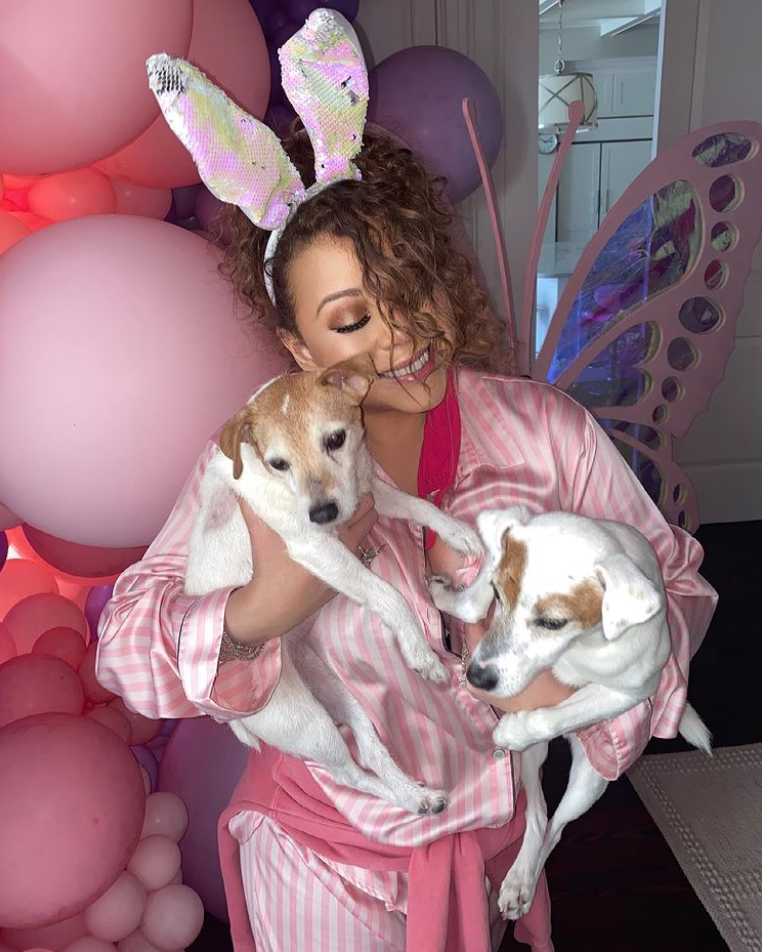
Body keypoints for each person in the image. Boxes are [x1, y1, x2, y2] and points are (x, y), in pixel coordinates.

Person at [98, 15, 717, 952]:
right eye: (353, 319)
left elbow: (676, 589)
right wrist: (256, 613)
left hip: (490, 849)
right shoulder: (256, 460)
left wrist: (570, 685)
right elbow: (124, 655)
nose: (402, 335)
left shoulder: (546, 433)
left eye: (414, 285)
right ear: (301, 344)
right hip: (324, 853)